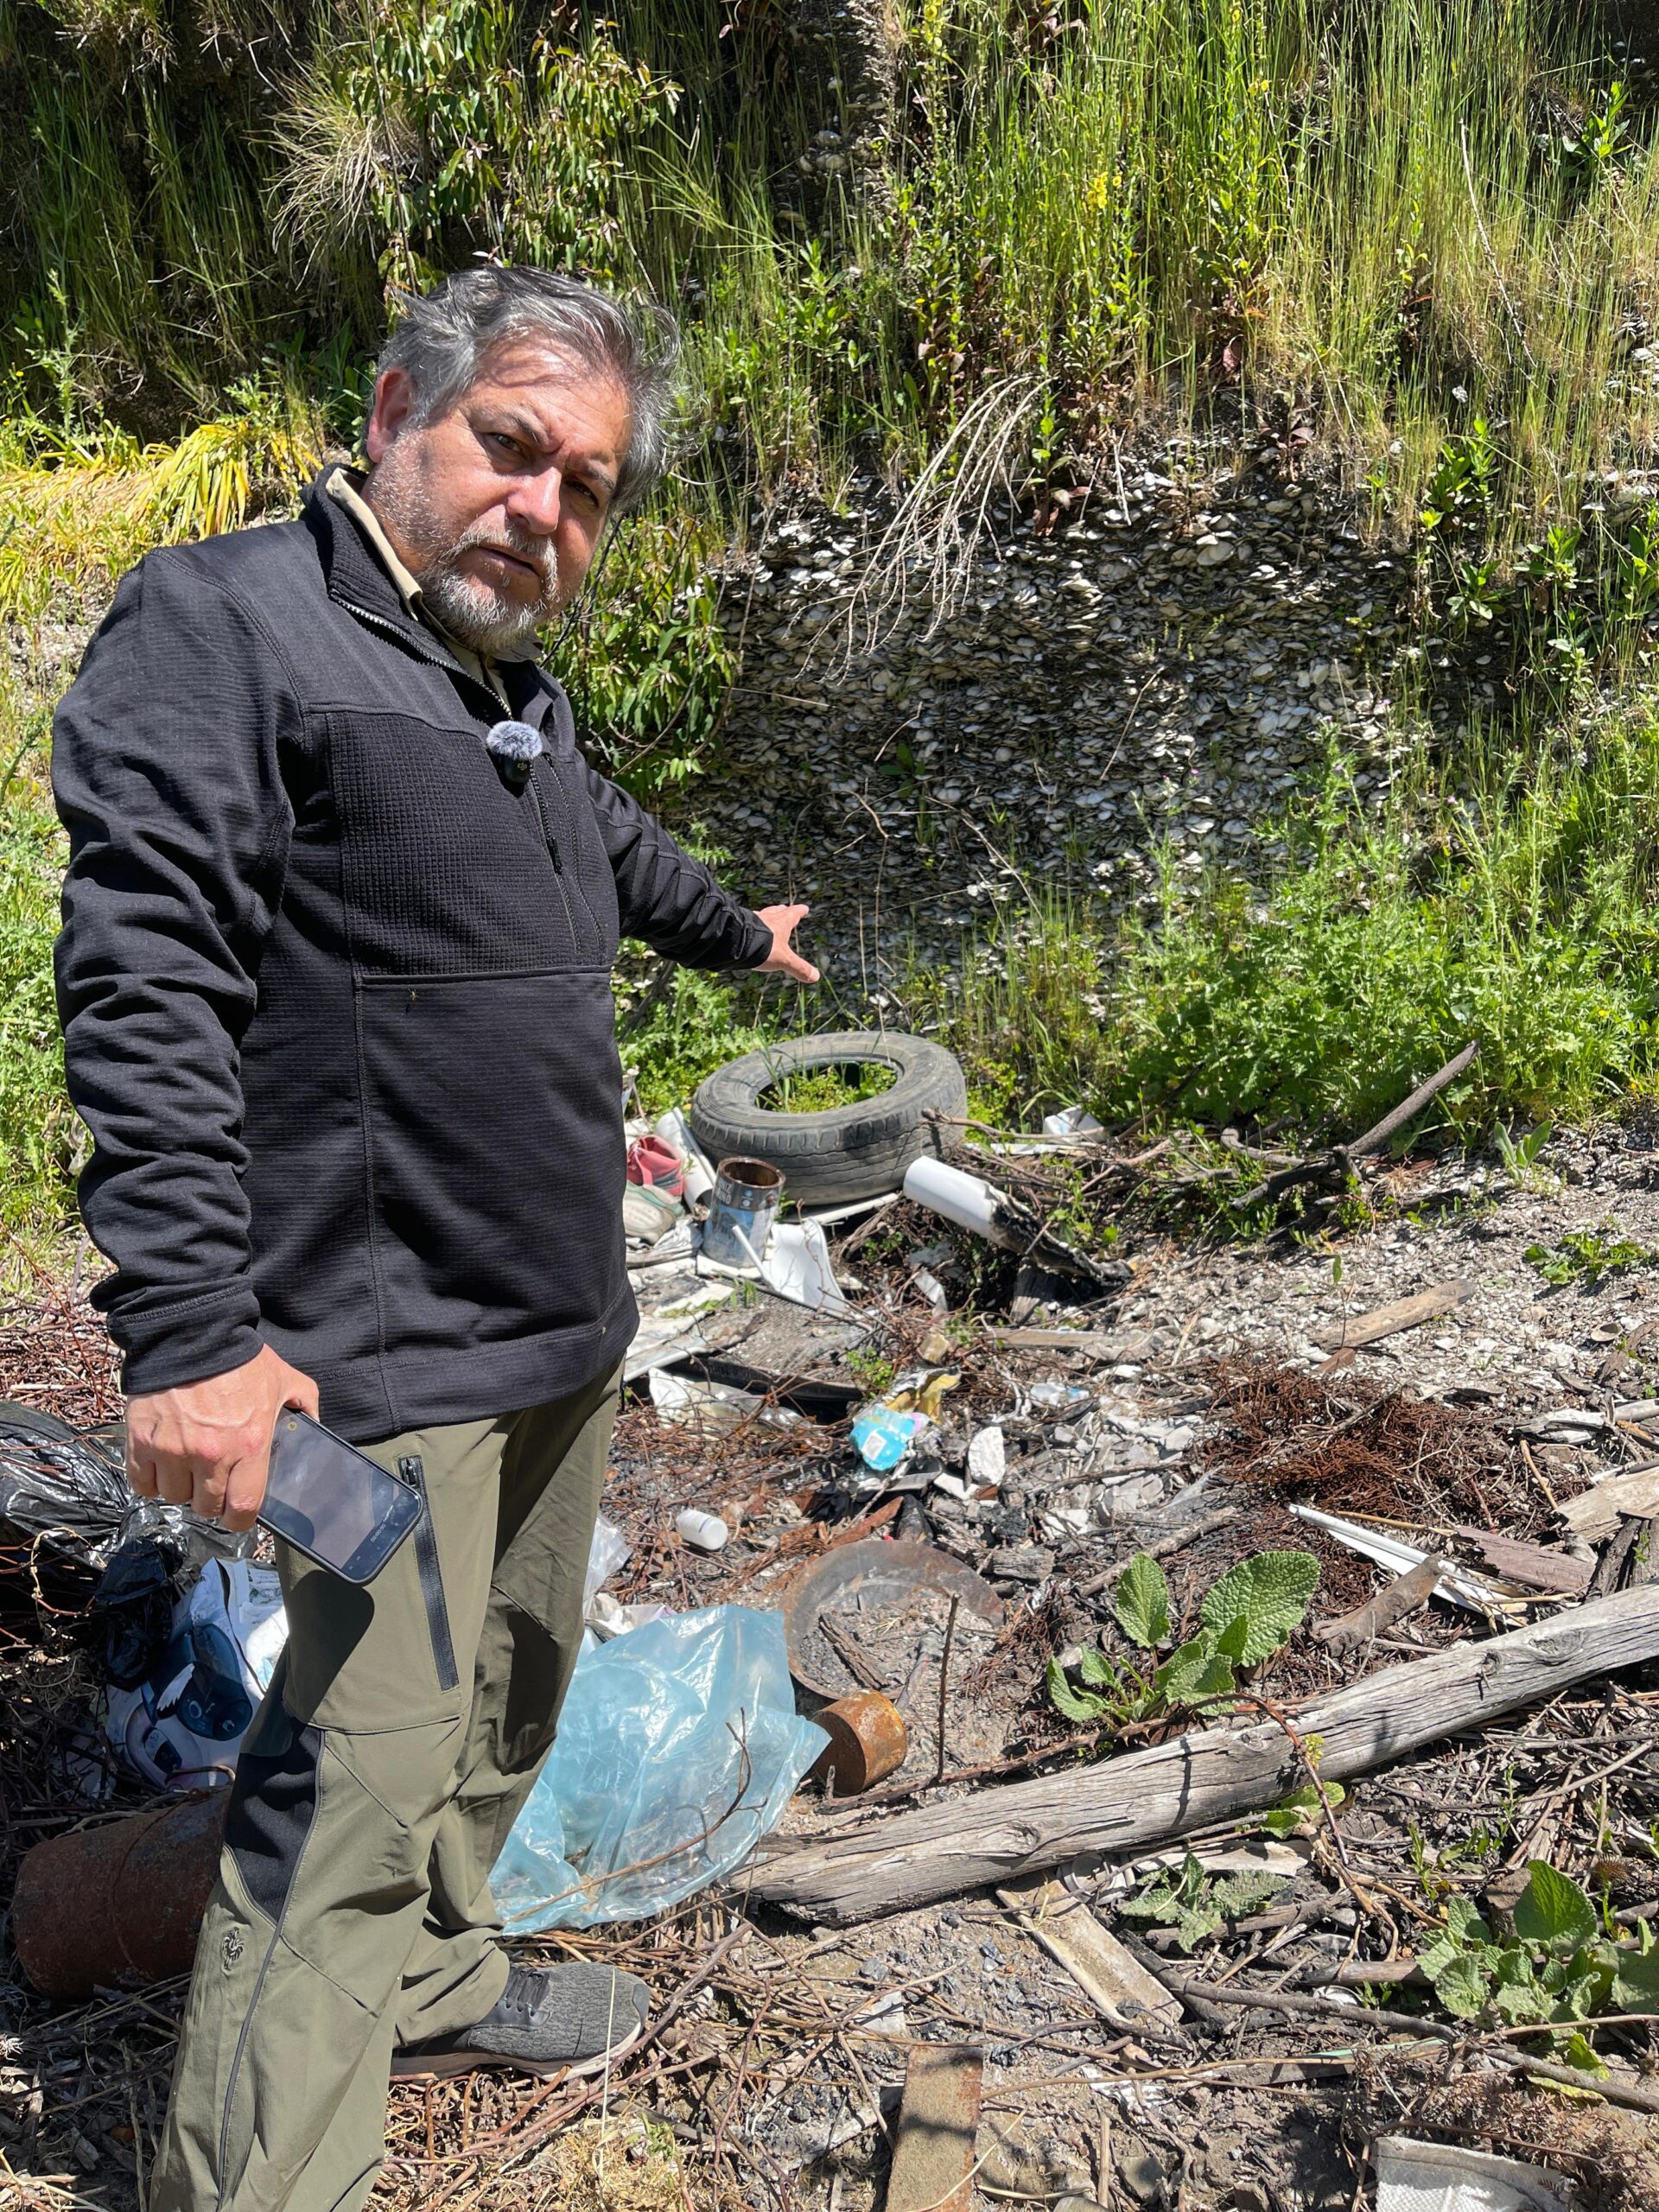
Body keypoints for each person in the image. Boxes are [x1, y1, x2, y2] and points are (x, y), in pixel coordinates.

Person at [51, 265, 817, 2212]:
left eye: (588, 487)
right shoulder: (232, 625)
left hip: (558, 1330)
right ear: (397, 405)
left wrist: (742, 934)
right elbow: (144, 978)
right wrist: (190, 1334)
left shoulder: (510, 696)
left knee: (515, 1694)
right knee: (349, 1790)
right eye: (509, 446)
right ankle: (254, 2180)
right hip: (373, 1364)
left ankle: (446, 1974)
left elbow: (620, 841)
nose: (543, 508)